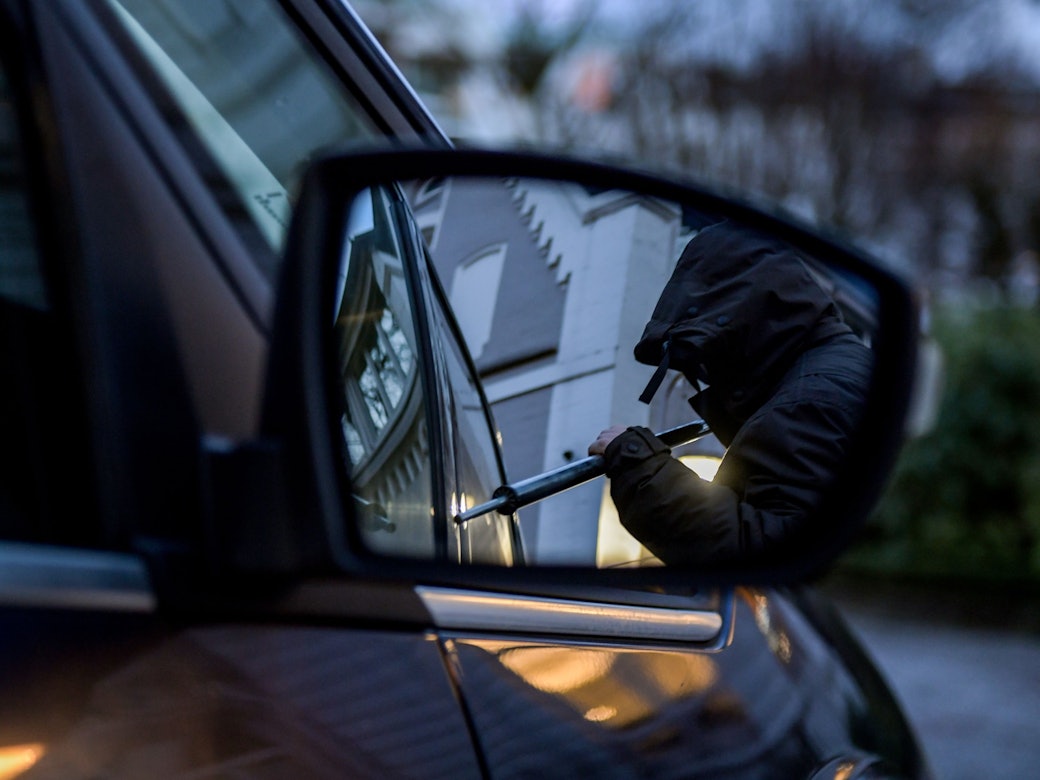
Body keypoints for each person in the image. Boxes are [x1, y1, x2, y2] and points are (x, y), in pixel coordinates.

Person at [588, 221, 873, 566]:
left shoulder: (806, 403)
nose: (708, 373)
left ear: (736, 323)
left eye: (709, 354)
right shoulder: (835, 364)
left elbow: (760, 551)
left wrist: (635, 460)